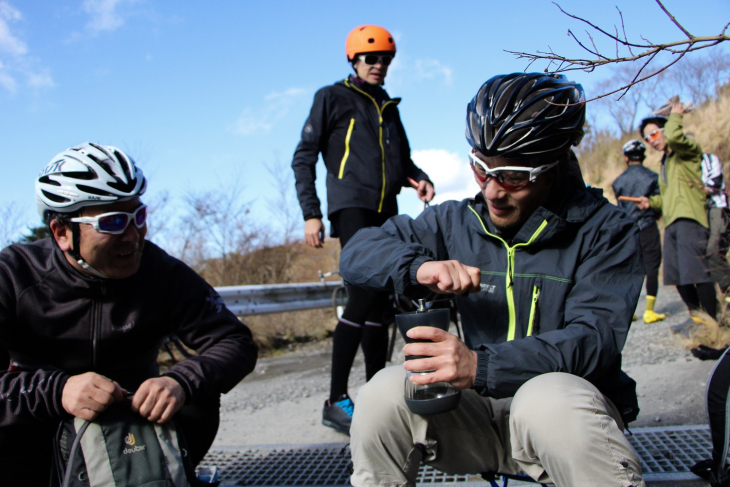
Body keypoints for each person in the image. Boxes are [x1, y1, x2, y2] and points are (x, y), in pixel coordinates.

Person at [340, 73, 646, 486]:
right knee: (383, 393)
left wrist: (479, 365)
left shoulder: (607, 230)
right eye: (481, 169)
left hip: (564, 423)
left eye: (515, 177)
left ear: (554, 164)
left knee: (547, 399)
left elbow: (594, 340)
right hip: (479, 421)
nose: (492, 192)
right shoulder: (453, 222)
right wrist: (417, 268)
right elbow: (358, 251)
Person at [0, 143, 258, 485]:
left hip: (137, 421)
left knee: (199, 391)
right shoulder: (14, 274)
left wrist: (180, 381)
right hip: (43, 431)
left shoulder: (160, 271)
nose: (134, 236)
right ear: (63, 233)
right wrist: (57, 390)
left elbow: (234, 341)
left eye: (138, 216)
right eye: (114, 222)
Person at [291, 24, 434, 434]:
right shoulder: (332, 97)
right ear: (353, 61)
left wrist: (418, 176)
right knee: (361, 297)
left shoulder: (388, 104)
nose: (378, 65)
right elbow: (304, 156)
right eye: (371, 58)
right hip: (350, 207)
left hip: (388, 211)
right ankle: (336, 399)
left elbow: (402, 159)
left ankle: (375, 396)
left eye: (385, 59)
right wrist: (311, 213)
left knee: (382, 307)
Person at [636, 104, 715, 328]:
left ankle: (714, 326)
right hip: (671, 223)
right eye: (647, 138)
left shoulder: (687, 151)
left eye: (653, 133)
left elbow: (675, 136)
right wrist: (650, 202)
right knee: (676, 277)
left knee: (696, 274)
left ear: (665, 129)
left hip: (690, 218)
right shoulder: (666, 163)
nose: (651, 140)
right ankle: (698, 319)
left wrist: (675, 116)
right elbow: (667, 196)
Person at [612, 139, 666, 323]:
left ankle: (630, 310)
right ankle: (649, 311)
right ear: (643, 156)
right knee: (652, 267)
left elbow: (619, 207)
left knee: (629, 270)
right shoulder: (652, 177)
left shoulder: (618, 181)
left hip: (628, 230)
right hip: (648, 226)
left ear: (626, 158)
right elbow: (658, 202)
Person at [701, 152, 730, 294]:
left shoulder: (709, 159)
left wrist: (691, 191)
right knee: (701, 256)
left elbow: (715, 183)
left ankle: (727, 291)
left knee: (714, 252)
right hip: (699, 213)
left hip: (717, 209)